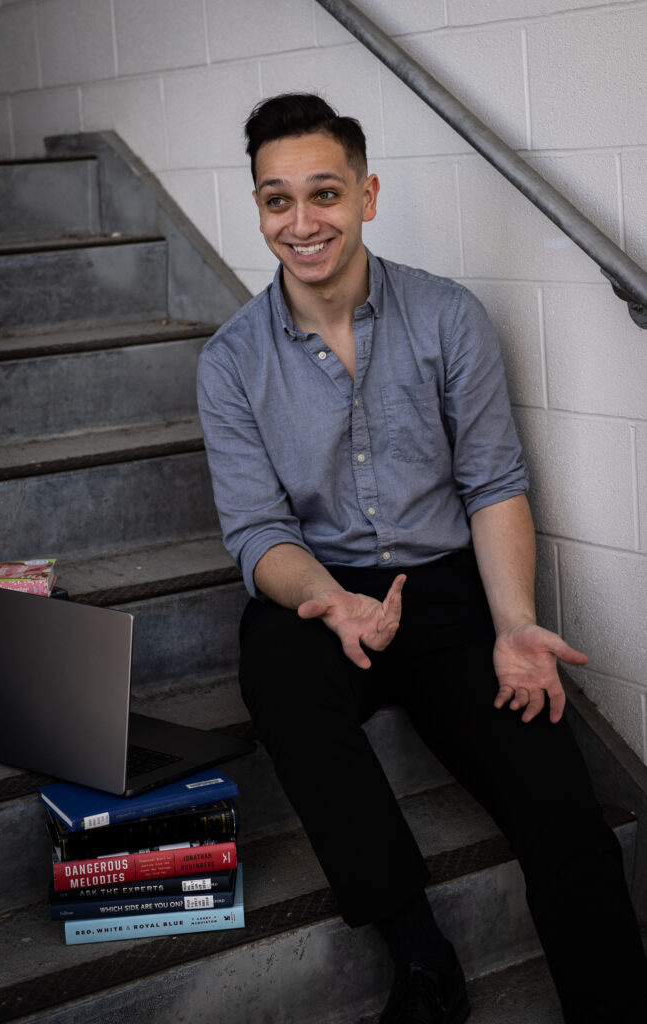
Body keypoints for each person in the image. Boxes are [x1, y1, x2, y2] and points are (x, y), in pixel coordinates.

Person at [197, 93, 647, 1023]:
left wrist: (515, 622)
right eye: (277, 200)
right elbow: (255, 532)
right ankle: (416, 952)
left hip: (447, 596)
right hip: (319, 592)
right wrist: (326, 600)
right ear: (255, 209)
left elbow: (492, 485)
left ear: (366, 194)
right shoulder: (230, 361)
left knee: (560, 812)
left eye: (322, 193)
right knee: (279, 683)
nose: (301, 221)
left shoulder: (447, 317)